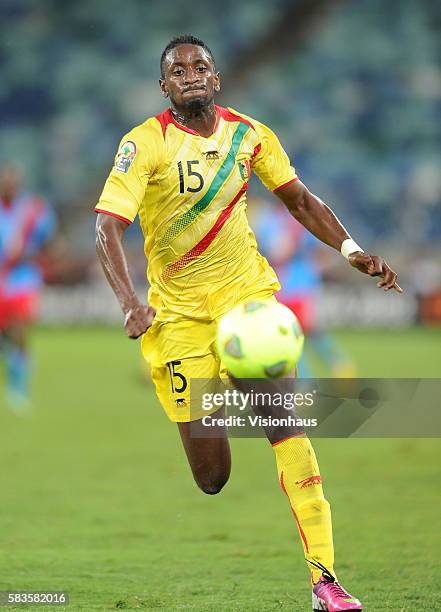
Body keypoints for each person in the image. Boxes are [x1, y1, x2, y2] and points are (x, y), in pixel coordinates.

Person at [95, 35, 401, 611]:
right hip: (179, 317)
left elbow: (301, 200)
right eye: (177, 70)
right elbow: (106, 227)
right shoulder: (143, 144)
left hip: (246, 298)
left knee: (286, 422)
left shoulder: (250, 135)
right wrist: (129, 303)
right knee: (211, 478)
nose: (190, 75)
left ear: (216, 78)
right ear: (164, 87)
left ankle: (326, 583)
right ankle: (229, 394)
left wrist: (351, 249)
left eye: (201, 66)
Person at [252, 200, 356, 377]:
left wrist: (311, 266)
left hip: (296, 288)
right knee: (300, 335)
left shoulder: (285, 219)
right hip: (284, 288)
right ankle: (337, 367)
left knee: (298, 335)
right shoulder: (273, 219)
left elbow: (318, 251)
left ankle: (319, 375)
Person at [0, 164, 56, 411]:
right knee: (6, 336)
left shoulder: (34, 209)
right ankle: (15, 372)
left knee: (19, 330)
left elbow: (49, 243)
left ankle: (18, 389)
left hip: (23, 278)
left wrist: (32, 255)